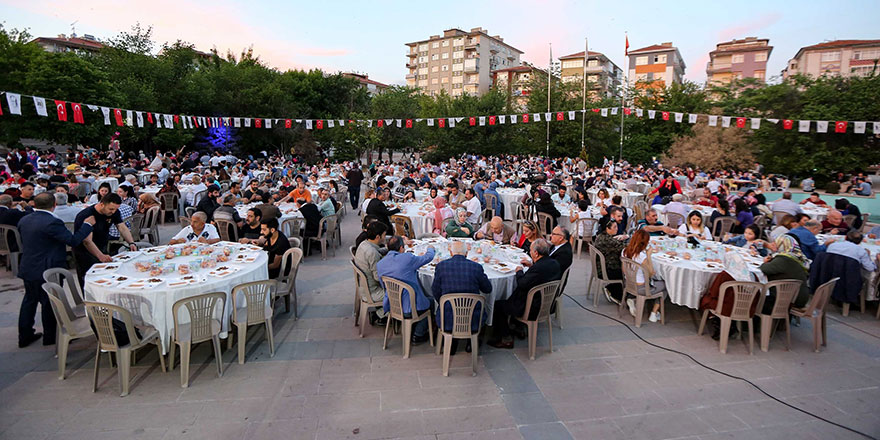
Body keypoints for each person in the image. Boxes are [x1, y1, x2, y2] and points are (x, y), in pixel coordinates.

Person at [16, 193, 95, 347]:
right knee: (49, 302)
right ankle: (50, 336)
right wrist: (87, 226)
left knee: (29, 300)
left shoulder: (24, 219)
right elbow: (72, 240)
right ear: (53, 205)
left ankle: (24, 335)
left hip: (28, 265)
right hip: (48, 266)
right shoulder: (52, 222)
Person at [488, 239, 560, 349]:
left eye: (531, 250)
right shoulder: (554, 263)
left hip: (531, 306)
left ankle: (506, 338)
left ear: (536, 253)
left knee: (498, 305)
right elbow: (542, 274)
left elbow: (522, 283)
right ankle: (516, 328)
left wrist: (519, 271)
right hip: (546, 303)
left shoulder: (537, 268)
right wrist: (531, 265)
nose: (530, 253)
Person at [431, 240, 491, 354]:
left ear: (451, 253)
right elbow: (488, 289)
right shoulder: (476, 267)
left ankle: (451, 344)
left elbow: (435, 291)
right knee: (481, 309)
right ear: (467, 253)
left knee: (446, 305)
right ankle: (471, 343)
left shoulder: (441, 266)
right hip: (473, 318)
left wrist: (445, 302)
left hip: (447, 317)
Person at [377, 236, 436, 345]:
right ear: (401, 248)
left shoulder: (380, 264)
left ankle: (414, 327)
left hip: (393, 304)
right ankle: (419, 334)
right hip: (410, 306)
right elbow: (428, 257)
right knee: (432, 302)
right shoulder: (407, 258)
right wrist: (430, 248)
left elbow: (383, 285)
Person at [73, 193, 137, 286]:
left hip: (102, 245)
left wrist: (131, 243)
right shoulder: (87, 215)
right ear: (102, 204)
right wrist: (100, 256)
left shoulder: (114, 212)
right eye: (111, 209)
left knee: (106, 278)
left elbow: (121, 227)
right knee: (89, 281)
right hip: (85, 251)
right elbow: (87, 241)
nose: (113, 212)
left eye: (115, 209)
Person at [621, 229, 666, 323]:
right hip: (641, 288)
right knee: (666, 285)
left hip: (629, 283)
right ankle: (654, 313)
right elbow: (651, 273)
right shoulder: (642, 257)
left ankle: (633, 299)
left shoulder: (624, 251)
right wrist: (648, 256)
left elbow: (624, 270)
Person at [759, 235, 811, 313]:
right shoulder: (797, 256)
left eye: (776, 243)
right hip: (799, 296)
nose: (773, 244)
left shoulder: (784, 259)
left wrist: (765, 262)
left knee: (758, 296)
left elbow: (764, 269)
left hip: (791, 299)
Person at [354, 221, 389, 325]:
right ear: (378, 236)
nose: (385, 237)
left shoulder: (364, 244)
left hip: (364, 287)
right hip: (372, 292)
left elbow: (377, 251)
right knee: (402, 292)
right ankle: (381, 314)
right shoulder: (372, 253)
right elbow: (378, 277)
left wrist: (389, 249)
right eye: (384, 234)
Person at [594, 217, 629, 303]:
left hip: (601, 266)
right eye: (614, 227)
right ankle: (618, 295)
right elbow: (626, 248)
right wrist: (628, 237)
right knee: (628, 272)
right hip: (606, 269)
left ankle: (613, 289)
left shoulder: (601, 236)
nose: (617, 229)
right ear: (607, 228)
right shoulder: (608, 240)